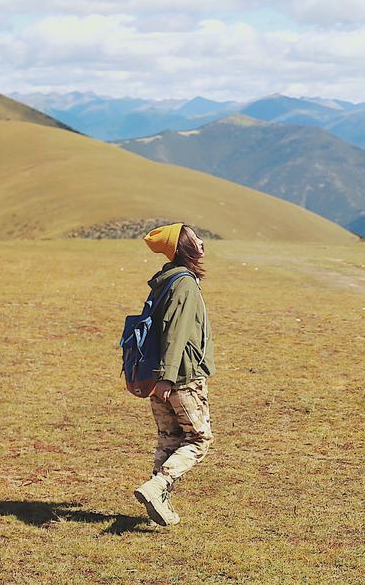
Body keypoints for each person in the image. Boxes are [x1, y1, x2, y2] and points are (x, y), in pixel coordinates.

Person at [133, 222, 215, 527]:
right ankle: (157, 487)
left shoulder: (166, 280)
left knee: (169, 439)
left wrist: (159, 377)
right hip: (182, 376)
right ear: (184, 247)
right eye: (196, 237)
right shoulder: (185, 284)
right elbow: (176, 332)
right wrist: (168, 377)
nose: (202, 241)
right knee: (198, 439)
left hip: (156, 374)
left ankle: (158, 508)